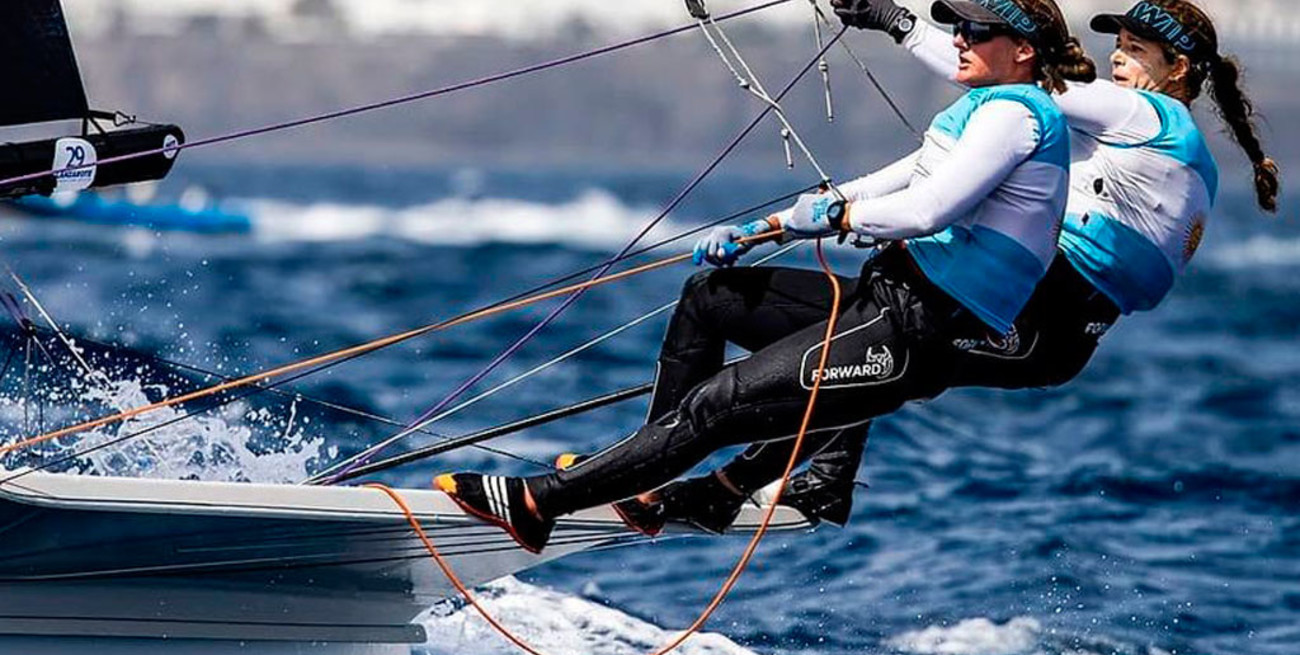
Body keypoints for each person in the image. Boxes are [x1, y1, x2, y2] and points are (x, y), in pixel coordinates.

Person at [435, 0, 1093, 554]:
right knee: (712, 297)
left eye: (976, 30)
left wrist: (836, 217)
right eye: (956, 26)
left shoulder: (1017, 115)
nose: (959, 39)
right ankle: (643, 477)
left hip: (917, 327)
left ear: (1023, 50)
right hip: (885, 297)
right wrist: (767, 228)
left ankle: (536, 503)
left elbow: (926, 210)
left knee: (717, 406)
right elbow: (887, 183)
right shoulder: (984, 109)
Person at [656, 0, 1282, 534]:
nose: (1117, 58)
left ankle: (701, 477)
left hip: (1041, 320)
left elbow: (1016, 86)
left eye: (1136, 50)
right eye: (1117, 44)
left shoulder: (1147, 117)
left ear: (1178, 69)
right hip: (1056, 334)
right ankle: (807, 481)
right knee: (864, 347)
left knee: (877, 343)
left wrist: (896, 21)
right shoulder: (1169, 152)